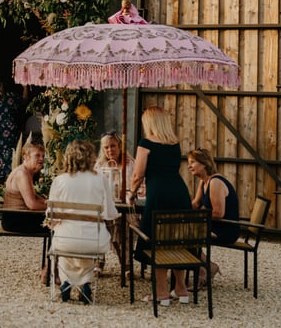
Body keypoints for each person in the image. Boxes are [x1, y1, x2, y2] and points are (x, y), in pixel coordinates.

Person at [131, 106, 192, 305]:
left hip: (158, 194)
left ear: (149, 123)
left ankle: (161, 293)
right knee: (177, 238)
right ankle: (181, 289)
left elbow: (138, 174)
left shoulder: (146, 143)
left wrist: (131, 193)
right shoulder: (174, 144)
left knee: (158, 240)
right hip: (180, 192)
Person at [48, 139, 118, 303]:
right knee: (86, 246)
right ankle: (85, 282)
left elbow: (52, 215)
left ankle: (66, 282)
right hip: (93, 241)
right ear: (90, 157)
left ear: (68, 157)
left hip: (66, 241)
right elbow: (109, 213)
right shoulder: (101, 179)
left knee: (64, 242)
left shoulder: (59, 181)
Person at [188, 147, 238, 284]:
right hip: (214, 226)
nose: (189, 166)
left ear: (204, 164)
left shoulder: (215, 182)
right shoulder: (204, 181)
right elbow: (195, 204)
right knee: (179, 231)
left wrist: (196, 218)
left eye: (192, 162)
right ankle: (204, 268)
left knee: (184, 235)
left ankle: (208, 267)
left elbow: (218, 213)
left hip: (225, 229)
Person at [94, 131, 138, 270]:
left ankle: (126, 261)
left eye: (113, 146)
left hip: (124, 205)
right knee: (99, 221)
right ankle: (99, 259)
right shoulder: (100, 165)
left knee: (121, 221)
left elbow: (138, 185)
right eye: (106, 147)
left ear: (120, 146)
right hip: (105, 205)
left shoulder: (130, 164)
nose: (110, 150)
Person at [2, 141, 48, 230]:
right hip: (15, 220)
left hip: (18, 217)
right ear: (26, 157)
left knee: (57, 220)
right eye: (37, 155)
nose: (41, 159)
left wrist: (48, 203)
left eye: (43, 156)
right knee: (58, 223)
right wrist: (52, 209)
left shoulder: (26, 171)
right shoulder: (22, 174)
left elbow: (34, 197)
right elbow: (32, 205)